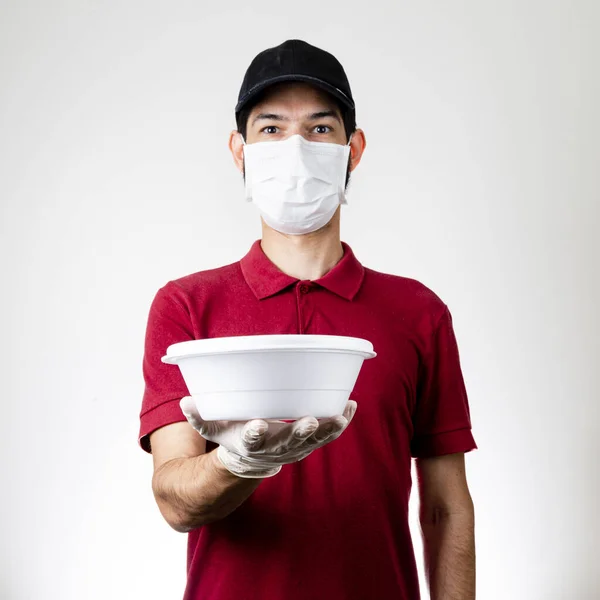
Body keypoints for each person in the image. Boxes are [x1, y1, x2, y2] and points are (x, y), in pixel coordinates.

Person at [139, 39, 477, 600]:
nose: (295, 148)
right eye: (271, 129)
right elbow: (175, 500)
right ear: (239, 150)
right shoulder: (185, 306)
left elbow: (445, 505)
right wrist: (239, 462)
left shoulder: (418, 312)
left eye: (320, 129)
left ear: (354, 148)